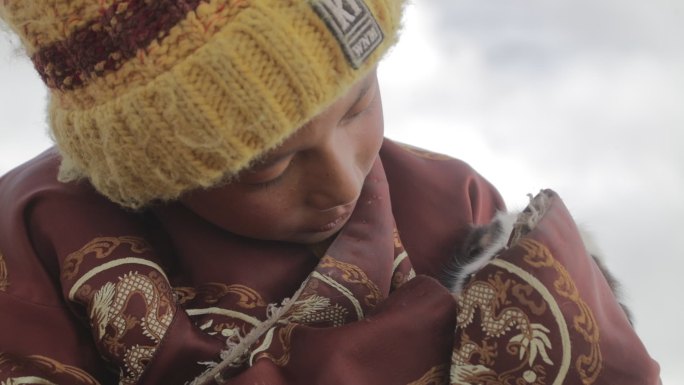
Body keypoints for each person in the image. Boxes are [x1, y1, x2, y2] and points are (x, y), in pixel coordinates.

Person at [0, 1, 660, 384]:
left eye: (357, 107)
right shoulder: (35, 238)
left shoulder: (456, 205)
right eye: (267, 168)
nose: (344, 181)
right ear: (150, 171)